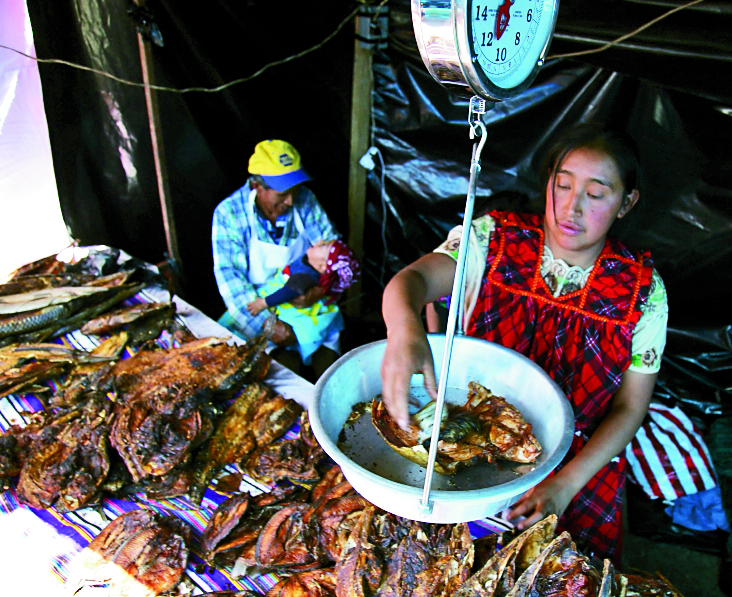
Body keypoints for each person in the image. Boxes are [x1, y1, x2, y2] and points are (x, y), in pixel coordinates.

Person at [379, 122, 668, 564]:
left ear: (626, 203)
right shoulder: (491, 241)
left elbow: (630, 407)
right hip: (470, 444)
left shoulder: (643, 292)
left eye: (596, 194)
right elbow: (412, 280)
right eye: (563, 185)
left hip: (579, 467)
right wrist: (405, 329)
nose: (571, 208)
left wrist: (564, 484)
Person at [212, 139, 341, 378]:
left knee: (329, 372)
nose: (291, 201)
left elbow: (335, 253)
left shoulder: (305, 200)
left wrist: (320, 290)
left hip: (308, 295)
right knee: (280, 375)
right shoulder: (229, 214)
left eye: (294, 191)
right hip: (258, 305)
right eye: (283, 193)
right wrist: (270, 326)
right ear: (256, 186)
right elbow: (231, 281)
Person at [245, 239, 359, 372]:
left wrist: (262, 303)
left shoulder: (304, 277)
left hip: (291, 307)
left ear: (322, 267)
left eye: (323, 245)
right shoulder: (310, 265)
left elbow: (285, 293)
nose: (319, 241)